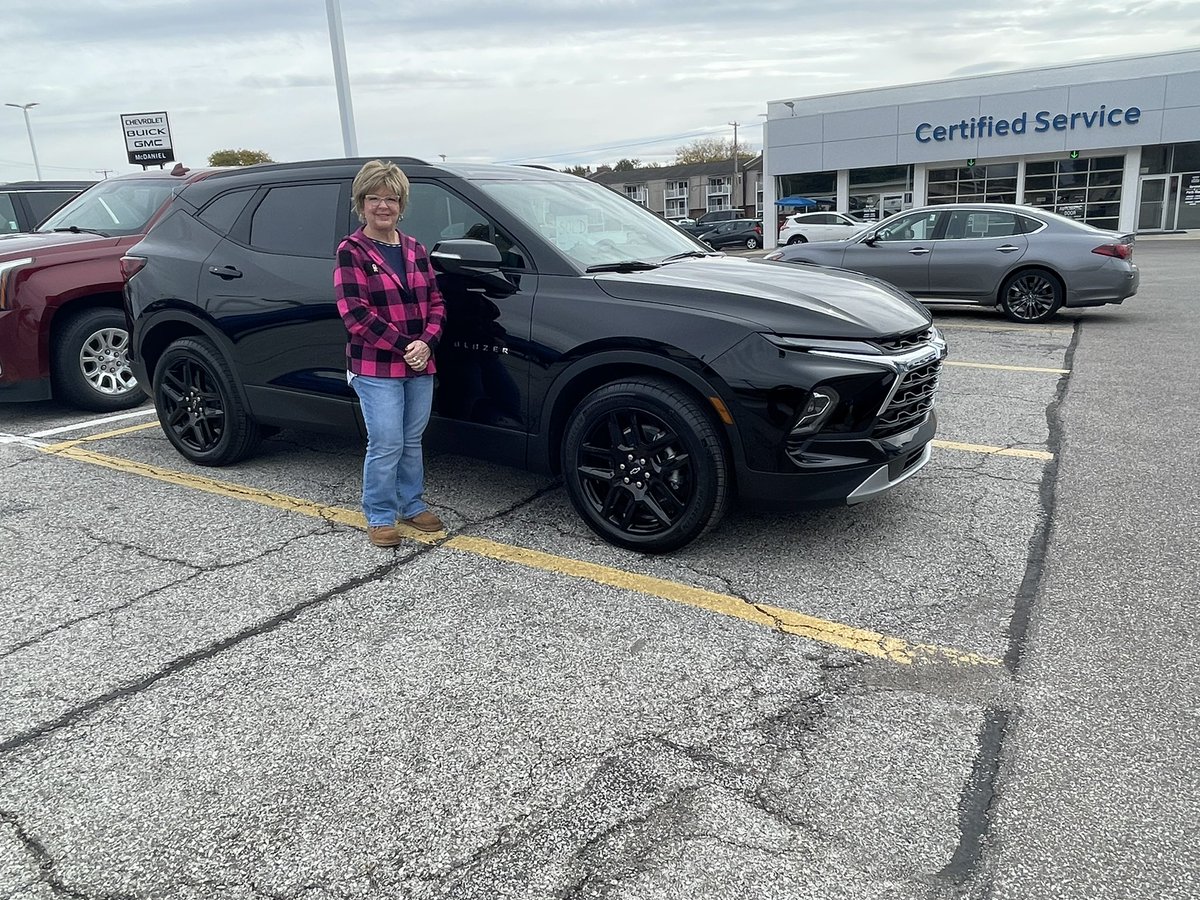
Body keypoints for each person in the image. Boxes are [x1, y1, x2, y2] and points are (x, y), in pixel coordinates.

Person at [335, 159, 446, 547]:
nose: (383, 206)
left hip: (420, 362)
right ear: (360, 203)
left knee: (411, 439)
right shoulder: (351, 251)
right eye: (374, 198)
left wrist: (426, 343)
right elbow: (355, 314)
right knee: (386, 442)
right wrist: (404, 347)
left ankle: (411, 504)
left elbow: (436, 302)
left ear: (402, 204)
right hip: (376, 365)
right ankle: (380, 514)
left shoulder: (415, 248)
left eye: (391, 199)